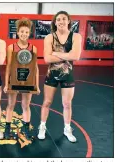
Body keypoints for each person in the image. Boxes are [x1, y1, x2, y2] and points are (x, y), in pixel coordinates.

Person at [37, 11, 82, 142]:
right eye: (58, 19)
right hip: (52, 74)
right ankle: (42, 126)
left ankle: (67, 129)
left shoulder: (76, 36)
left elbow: (76, 56)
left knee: (67, 104)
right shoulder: (49, 38)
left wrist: (55, 53)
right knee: (47, 102)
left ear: (68, 21)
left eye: (63, 19)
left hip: (67, 75)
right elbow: (47, 58)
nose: (61, 21)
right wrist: (66, 55)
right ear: (55, 23)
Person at [3, 18, 40, 140]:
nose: (24, 34)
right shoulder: (11, 47)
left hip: (28, 81)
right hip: (14, 80)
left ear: (29, 33)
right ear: (17, 33)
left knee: (26, 105)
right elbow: (8, 66)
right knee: (11, 104)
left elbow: (35, 68)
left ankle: (26, 130)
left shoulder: (33, 48)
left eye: (26, 32)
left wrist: (37, 85)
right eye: (22, 31)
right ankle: (7, 131)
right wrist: (6, 83)